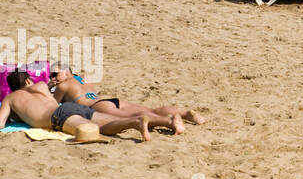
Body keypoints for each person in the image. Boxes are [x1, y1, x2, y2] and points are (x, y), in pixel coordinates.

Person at [0, 70, 151, 142]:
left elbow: (1, 123)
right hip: (70, 107)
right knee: (108, 121)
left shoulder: (10, 99)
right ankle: (136, 120)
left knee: (96, 129)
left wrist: (14, 116)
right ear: (27, 81)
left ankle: (135, 122)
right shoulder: (40, 85)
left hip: (58, 117)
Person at [49, 68, 204, 134]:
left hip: (98, 106)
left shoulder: (63, 85)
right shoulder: (83, 79)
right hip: (111, 100)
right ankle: (185, 114)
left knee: (132, 118)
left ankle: (169, 121)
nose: (53, 78)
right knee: (149, 110)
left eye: (55, 74)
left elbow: (52, 105)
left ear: (67, 71)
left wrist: (51, 87)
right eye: (51, 76)